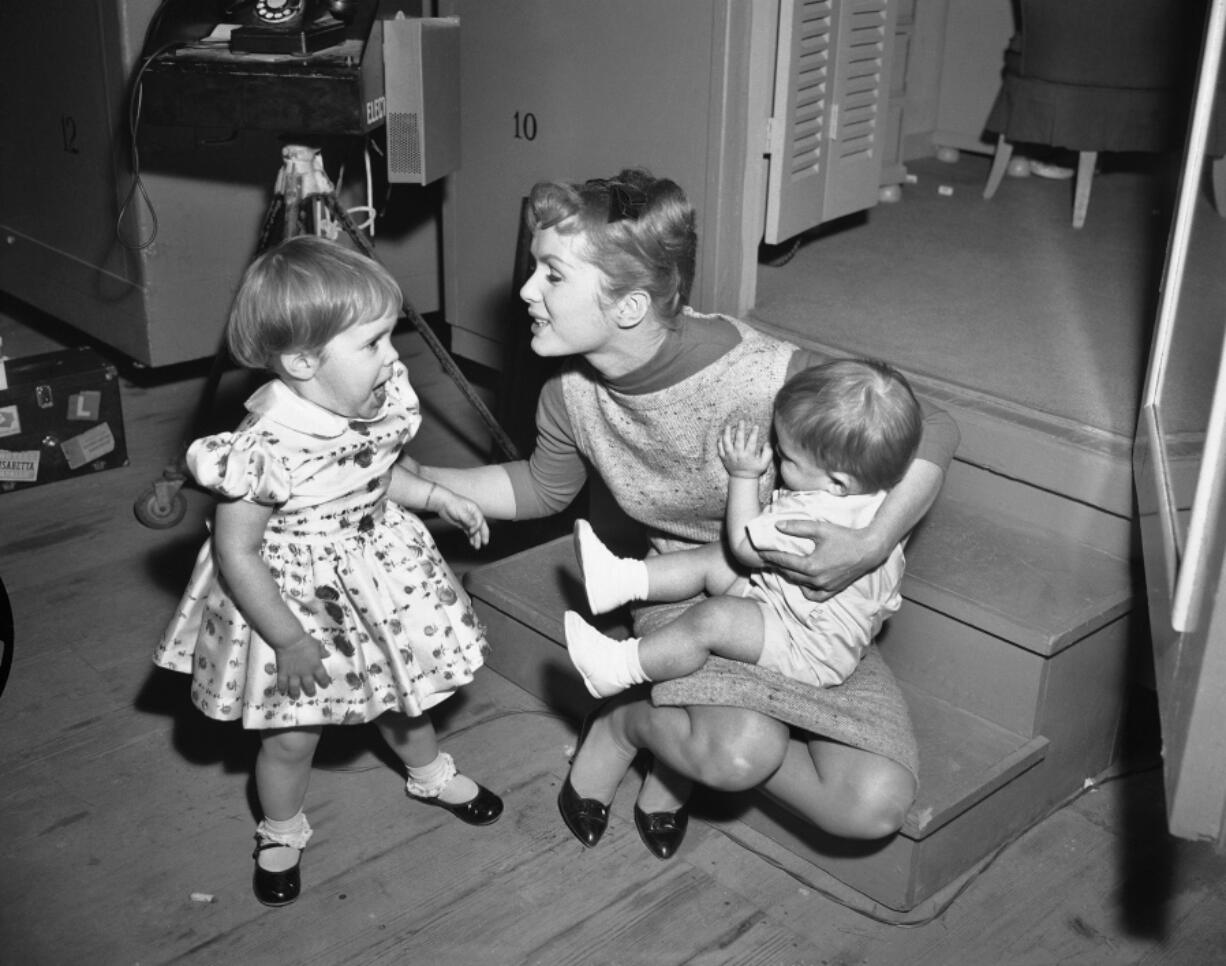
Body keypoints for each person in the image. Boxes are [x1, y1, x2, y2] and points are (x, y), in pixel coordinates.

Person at [409, 169, 959, 862]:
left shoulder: (761, 373)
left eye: (551, 276)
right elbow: (541, 490)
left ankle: (678, 754)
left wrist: (869, 542)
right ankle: (628, 728)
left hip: (805, 602)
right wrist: (423, 482)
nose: (524, 291)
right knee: (740, 752)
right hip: (682, 584)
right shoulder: (570, 395)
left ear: (630, 305)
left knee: (871, 805)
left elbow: (932, 425)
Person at [153, 235, 503, 907]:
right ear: (303, 360)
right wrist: (288, 639)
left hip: (377, 577)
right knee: (291, 735)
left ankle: (428, 770)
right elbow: (237, 552)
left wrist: (438, 497)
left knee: (407, 692)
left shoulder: (369, 401)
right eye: (373, 342)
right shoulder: (264, 449)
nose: (393, 355)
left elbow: (376, 471)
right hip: (290, 602)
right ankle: (280, 827)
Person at [564, 357, 922, 699]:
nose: (777, 458)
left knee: (713, 619)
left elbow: (741, 544)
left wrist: (744, 475)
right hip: (798, 606)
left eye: (788, 458)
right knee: (713, 561)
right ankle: (619, 580)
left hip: (806, 648)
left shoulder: (810, 521)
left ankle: (618, 668)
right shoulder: (884, 500)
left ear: (838, 483)